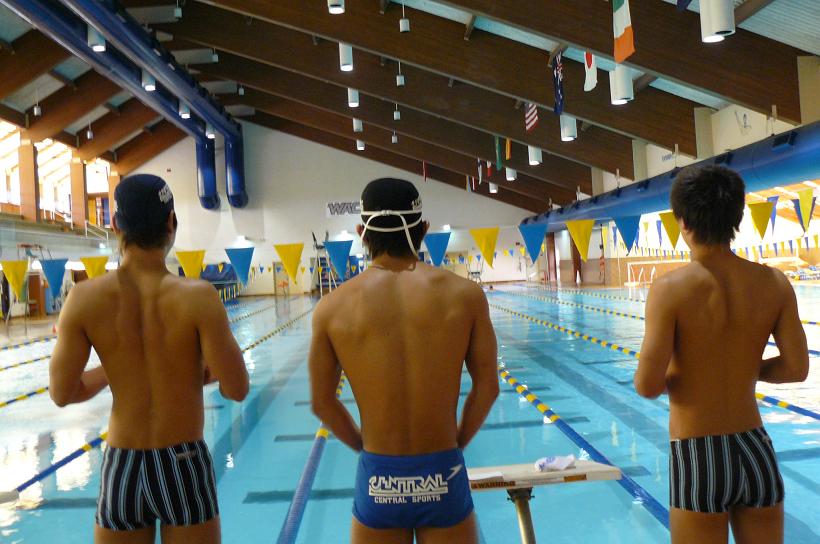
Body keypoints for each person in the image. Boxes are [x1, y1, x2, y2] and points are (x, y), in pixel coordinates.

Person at [49, 174, 249, 544]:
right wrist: (190, 372)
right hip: (183, 463)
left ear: (115, 225)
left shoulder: (83, 298)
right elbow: (236, 388)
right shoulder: (198, 297)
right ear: (171, 222)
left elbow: (63, 393)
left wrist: (117, 369)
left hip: (122, 463)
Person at [309, 178, 499, 544]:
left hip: (379, 475)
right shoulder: (466, 296)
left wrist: (365, 449)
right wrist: (456, 444)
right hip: (443, 469)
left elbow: (322, 402)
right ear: (423, 229)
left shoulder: (331, 308)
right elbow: (488, 387)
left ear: (362, 233)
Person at [634, 166, 809, 544]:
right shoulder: (774, 283)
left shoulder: (670, 289)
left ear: (683, 221)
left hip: (698, 452)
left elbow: (647, 385)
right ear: (737, 217)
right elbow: (796, 368)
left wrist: (698, 371)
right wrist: (743, 368)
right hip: (755, 448)